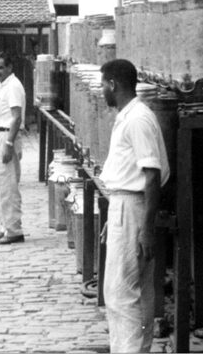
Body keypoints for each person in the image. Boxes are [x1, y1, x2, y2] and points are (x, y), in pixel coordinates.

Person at [99, 59, 169, 353]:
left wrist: (146, 229)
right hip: (125, 206)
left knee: (123, 293)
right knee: (129, 292)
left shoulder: (138, 118)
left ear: (114, 85)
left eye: (104, 85)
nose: (103, 91)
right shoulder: (129, 116)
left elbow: (151, 176)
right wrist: (115, 213)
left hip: (133, 209)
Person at [0, 52, 26, 245]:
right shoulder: (2, 86)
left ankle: (14, 230)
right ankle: (4, 226)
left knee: (7, 185)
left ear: (10, 67)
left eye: (0, 67)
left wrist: (9, 144)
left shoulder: (14, 86)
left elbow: (16, 117)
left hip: (5, 136)